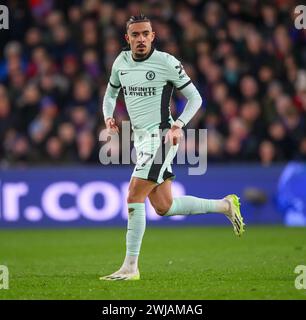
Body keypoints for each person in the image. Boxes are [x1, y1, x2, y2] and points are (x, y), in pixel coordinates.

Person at [100, 15, 245, 281]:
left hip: (163, 138)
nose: (141, 39)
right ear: (127, 38)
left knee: (134, 195)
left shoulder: (167, 62)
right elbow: (110, 95)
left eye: (146, 34)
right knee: (164, 207)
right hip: (139, 140)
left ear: (153, 36)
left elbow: (195, 98)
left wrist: (178, 124)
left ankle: (130, 267)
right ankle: (225, 206)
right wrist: (108, 116)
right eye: (136, 35)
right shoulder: (120, 63)